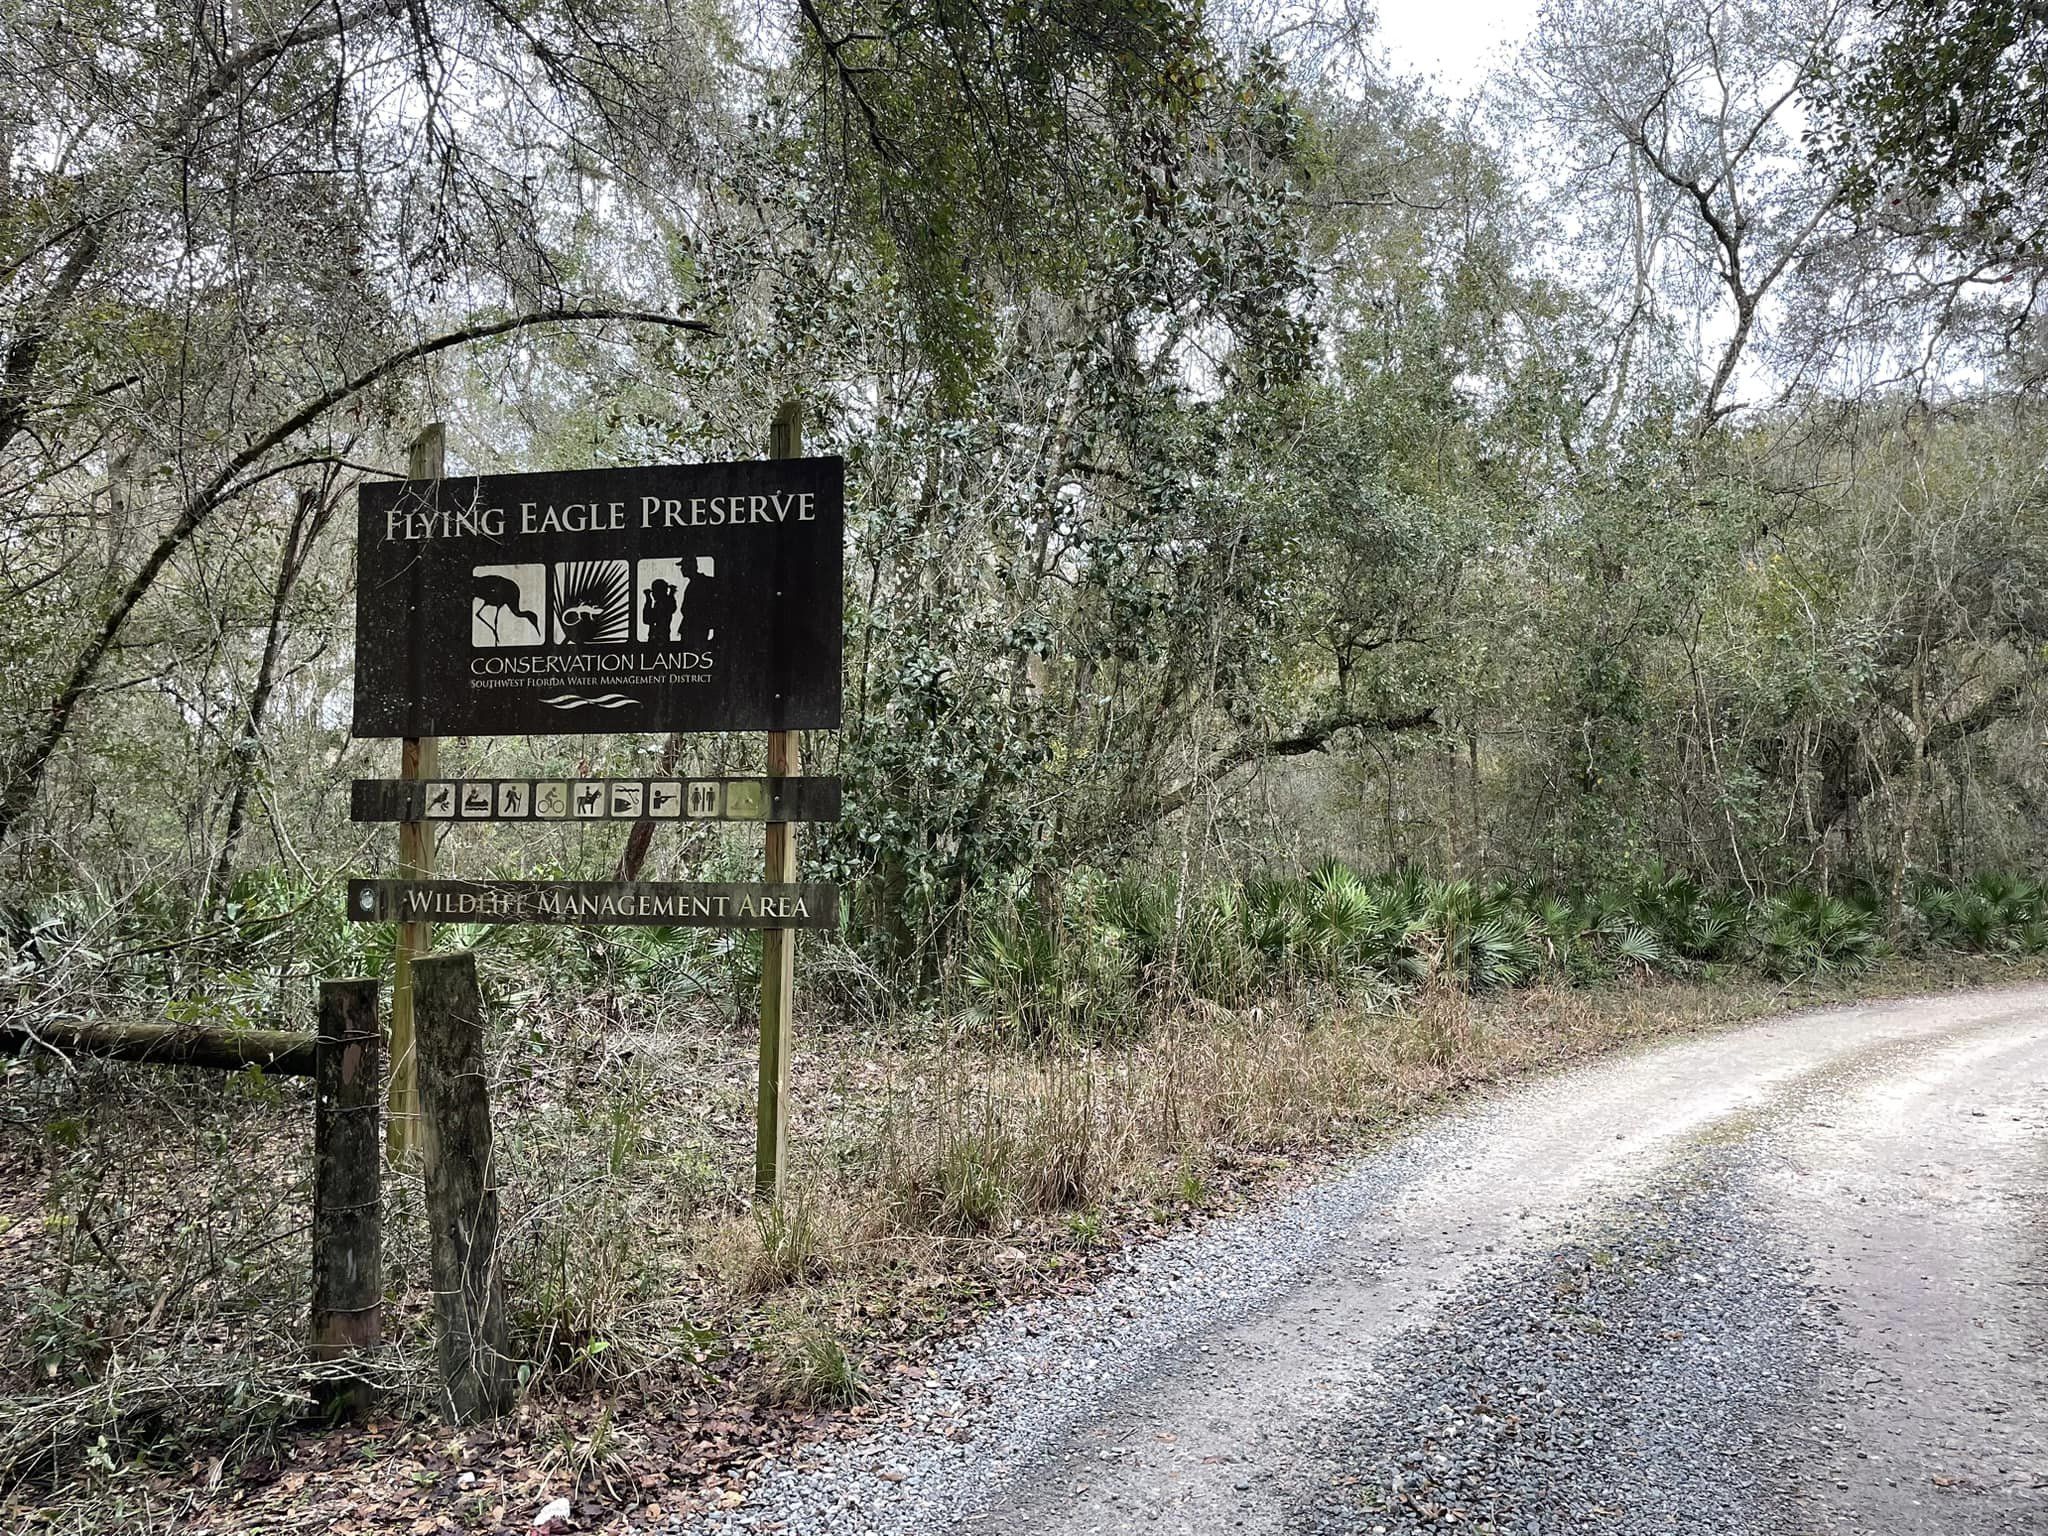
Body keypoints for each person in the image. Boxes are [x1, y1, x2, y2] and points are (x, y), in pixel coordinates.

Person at [642, 578, 677, 643]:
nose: (653, 594)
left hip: (659, 636)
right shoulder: (661, 604)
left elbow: (647, 619)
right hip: (660, 635)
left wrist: (648, 600)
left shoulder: (662, 605)